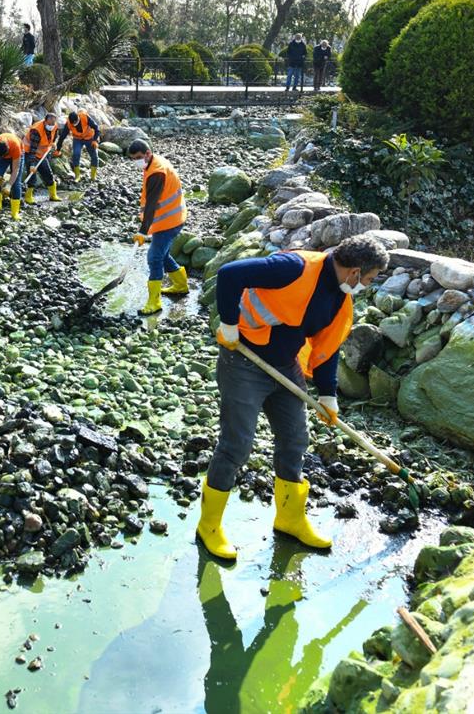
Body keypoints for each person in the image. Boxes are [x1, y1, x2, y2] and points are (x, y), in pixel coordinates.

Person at [198, 234, 389, 560]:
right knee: (237, 444)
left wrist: (328, 395)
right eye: (368, 279)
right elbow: (230, 274)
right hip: (244, 360)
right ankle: (209, 526)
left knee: (295, 440)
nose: (367, 286)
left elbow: (326, 350)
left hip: (285, 368)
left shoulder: (340, 299)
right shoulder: (294, 267)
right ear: (354, 272)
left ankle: (290, 519)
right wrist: (229, 323)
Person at [126, 139, 188, 315]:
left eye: (138, 157)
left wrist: (142, 232)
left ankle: (154, 302)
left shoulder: (156, 173)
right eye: (133, 159)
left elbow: (152, 205)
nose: (136, 161)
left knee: (154, 257)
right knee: (163, 254)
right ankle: (181, 285)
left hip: (170, 221)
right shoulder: (153, 163)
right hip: (172, 216)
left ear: (147, 153)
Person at [22, 113, 61, 204]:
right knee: (32, 175)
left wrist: (53, 143)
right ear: (45, 121)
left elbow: (54, 137)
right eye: (49, 124)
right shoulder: (36, 130)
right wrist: (32, 164)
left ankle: (53, 195)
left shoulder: (55, 127)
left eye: (53, 124)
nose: (51, 126)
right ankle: (28, 197)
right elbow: (32, 149)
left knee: (47, 172)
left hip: (42, 153)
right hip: (29, 152)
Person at [57, 110, 101, 181]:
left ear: (78, 118)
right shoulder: (68, 123)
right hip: (78, 139)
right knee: (76, 154)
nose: (75, 124)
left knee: (94, 156)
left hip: (89, 138)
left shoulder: (85, 117)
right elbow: (62, 136)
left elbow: (96, 128)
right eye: (73, 123)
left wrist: (95, 140)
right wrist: (58, 149)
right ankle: (77, 176)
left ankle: (93, 177)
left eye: (76, 122)